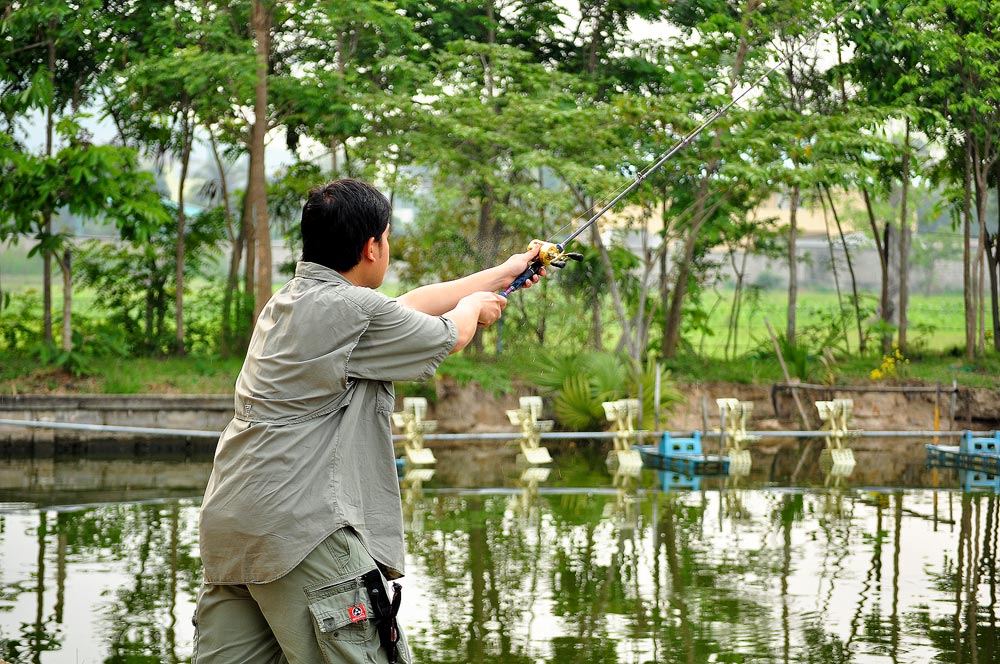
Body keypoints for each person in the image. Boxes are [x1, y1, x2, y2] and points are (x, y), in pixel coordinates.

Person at [192, 177, 545, 664]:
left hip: (232, 530)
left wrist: (504, 272)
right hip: (304, 531)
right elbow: (451, 334)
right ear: (371, 246)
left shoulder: (291, 302)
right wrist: (471, 312)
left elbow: (410, 304)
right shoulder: (354, 309)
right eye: (387, 235)